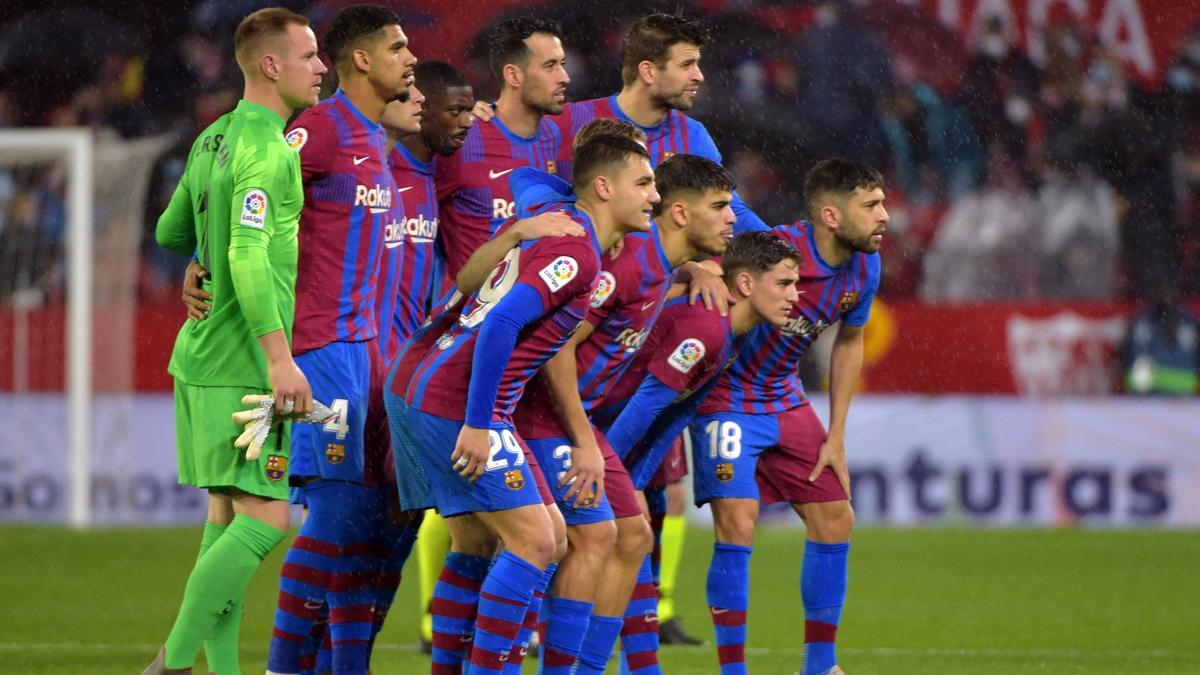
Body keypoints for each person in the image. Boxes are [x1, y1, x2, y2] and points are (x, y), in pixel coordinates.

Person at [387, 133, 657, 675]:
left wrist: (553, 201)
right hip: (452, 399)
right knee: (535, 542)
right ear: (604, 188)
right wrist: (479, 423)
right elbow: (504, 323)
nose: (654, 195)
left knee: (547, 537)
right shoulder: (577, 253)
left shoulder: (554, 214)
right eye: (645, 183)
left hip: (421, 378)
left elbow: (523, 181)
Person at [145, 7, 325, 674]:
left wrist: (197, 258)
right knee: (269, 518)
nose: (321, 67)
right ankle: (173, 658)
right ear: (272, 65)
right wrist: (280, 360)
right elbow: (249, 255)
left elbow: (169, 232)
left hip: (197, 359)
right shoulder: (268, 149)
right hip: (242, 364)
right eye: (309, 56)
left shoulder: (211, 138)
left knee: (225, 521)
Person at [509, 151, 737, 673]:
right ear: (681, 213)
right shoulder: (631, 262)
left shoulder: (664, 268)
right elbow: (559, 346)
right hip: (542, 414)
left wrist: (695, 270)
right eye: (721, 206)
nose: (732, 218)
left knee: (630, 535)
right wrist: (582, 437)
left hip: (573, 420)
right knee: (577, 538)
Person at [412, 16, 576, 668]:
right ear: (513, 74)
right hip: (466, 357)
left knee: (496, 538)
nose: (565, 76)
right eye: (551, 65)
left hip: (532, 362)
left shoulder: (562, 141)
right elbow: (383, 159)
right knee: (529, 534)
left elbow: (628, 140)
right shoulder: (461, 137)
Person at [264, 6, 416, 675]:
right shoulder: (320, 130)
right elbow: (255, 203)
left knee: (361, 518)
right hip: (323, 349)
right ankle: (280, 666)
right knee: (328, 512)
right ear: (362, 59)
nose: (410, 58)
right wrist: (202, 262)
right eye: (398, 48)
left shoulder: (374, 140)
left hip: (367, 353)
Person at [692, 157, 885, 675]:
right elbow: (706, 259)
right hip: (726, 396)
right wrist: (694, 270)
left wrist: (837, 434)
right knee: (737, 522)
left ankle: (820, 666)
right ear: (829, 215)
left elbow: (850, 340)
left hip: (785, 397)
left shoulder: (866, 265)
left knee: (836, 516)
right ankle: (734, 671)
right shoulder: (773, 248)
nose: (884, 215)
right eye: (870, 205)